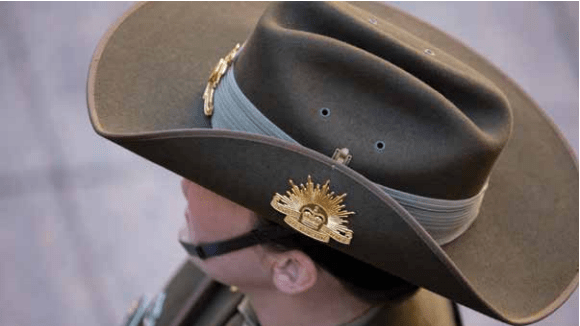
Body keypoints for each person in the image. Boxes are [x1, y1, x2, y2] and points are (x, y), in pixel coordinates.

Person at [88, 2, 578, 326]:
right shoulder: (243, 259)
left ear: (293, 273)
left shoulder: (224, 254)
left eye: (222, 178)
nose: (184, 184)